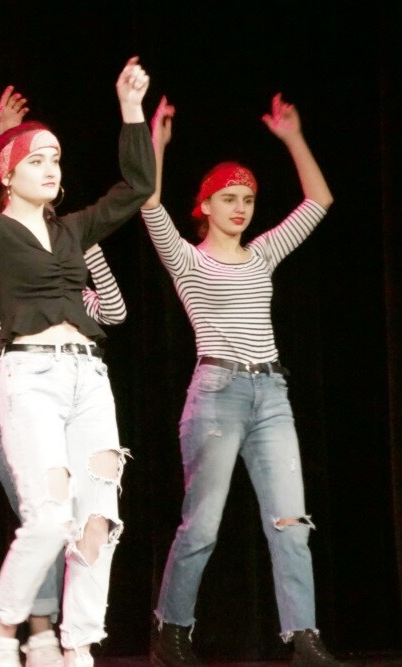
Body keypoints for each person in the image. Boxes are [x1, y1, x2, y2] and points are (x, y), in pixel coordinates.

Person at [0, 47, 154, 667]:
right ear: (7, 173)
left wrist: (131, 109)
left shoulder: (72, 230)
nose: (49, 167)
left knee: (99, 519)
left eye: (55, 158)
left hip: (89, 377)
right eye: (35, 159)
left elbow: (138, 187)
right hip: (30, 377)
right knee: (48, 517)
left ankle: (79, 646)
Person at [140, 94, 341, 666]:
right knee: (202, 525)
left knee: (291, 523)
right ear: (204, 205)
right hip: (217, 395)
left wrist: (292, 137)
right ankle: (171, 630)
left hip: (271, 394)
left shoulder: (263, 254)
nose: (240, 208)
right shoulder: (187, 259)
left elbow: (319, 200)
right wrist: (157, 143)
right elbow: (148, 201)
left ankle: (303, 637)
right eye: (228, 198)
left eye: (248, 199)